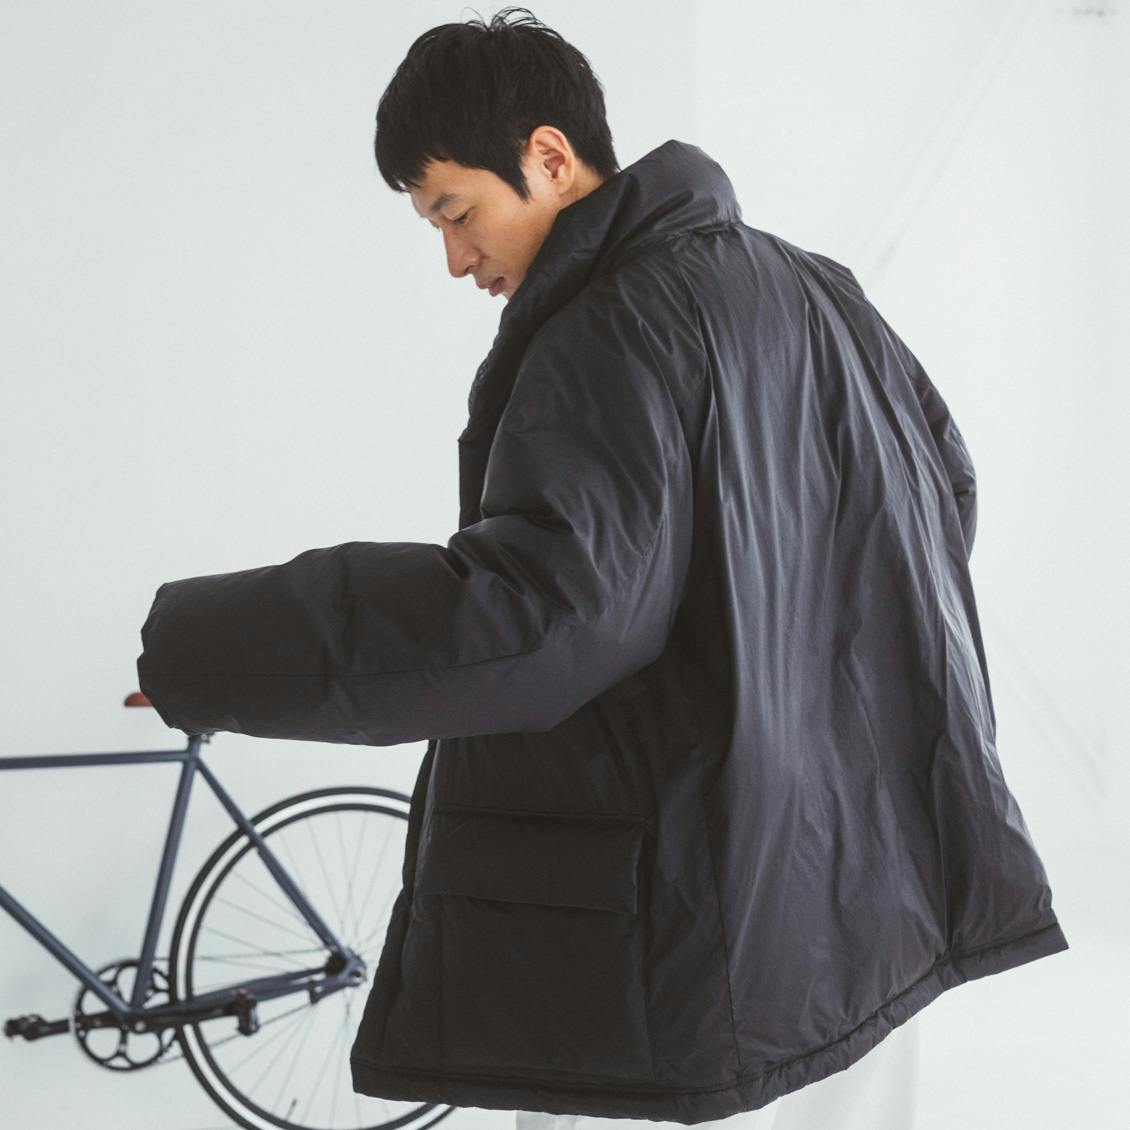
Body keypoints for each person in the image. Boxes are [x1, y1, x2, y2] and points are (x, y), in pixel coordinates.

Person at [136, 6, 1068, 1126]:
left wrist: (207, 651)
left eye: (456, 213)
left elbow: (542, 616)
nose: (453, 259)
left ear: (547, 156)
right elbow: (940, 496)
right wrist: (792, 675)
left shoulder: (612, 326)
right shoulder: (816, 288)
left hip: (688, 948)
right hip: (869, 908)